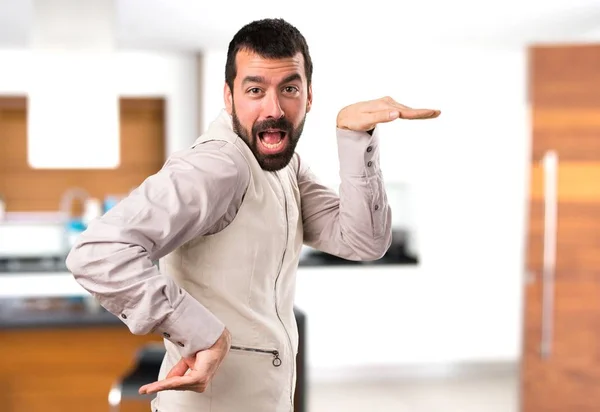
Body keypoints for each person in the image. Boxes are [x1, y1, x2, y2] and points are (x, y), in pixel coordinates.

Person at [66, 17, 440, 412]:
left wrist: (353, 136)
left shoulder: (286, 166)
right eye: (255, 90)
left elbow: (362, 240)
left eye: (289, 89)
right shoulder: (218, 165)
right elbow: (98, 251)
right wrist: (204, 333)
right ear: (228, 97)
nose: (273, 109)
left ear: (309, 96)